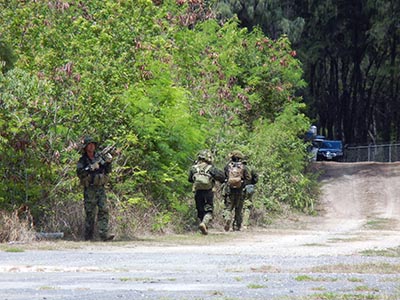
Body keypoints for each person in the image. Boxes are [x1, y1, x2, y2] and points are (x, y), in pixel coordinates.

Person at [76, 136, 114, 241]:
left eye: (93, 144)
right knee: (90, 213)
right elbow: (80, 173)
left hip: (100, 188)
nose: (92, 146)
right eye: (90, 144)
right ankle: (89, 236)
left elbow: (107, 170)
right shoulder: (83, 160)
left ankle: (104, 235)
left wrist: (108, 162)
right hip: (90, 189)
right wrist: (90, 168)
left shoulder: (99, 157)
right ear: (86, 146)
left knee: (104, 210)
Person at [188, 150, 225, 235]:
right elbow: (222, 177)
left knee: (200, 209)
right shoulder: (211, 168)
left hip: (198, 192)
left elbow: (190, 179)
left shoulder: (194, 168)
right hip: (208, 192)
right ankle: (204, 224)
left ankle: (202, 226)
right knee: (209, 210)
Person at [222, 150, 251, 232]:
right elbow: (248, 178)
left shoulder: (227, 166)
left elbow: (224, 176)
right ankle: (236, 226)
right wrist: (242, 183)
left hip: (229, 190)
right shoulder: (244, 167)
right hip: (240, 190)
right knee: (238, 209)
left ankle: (227, 219)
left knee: (228, 208)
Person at [242, 158, 259, 229]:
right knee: (247, 206)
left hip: (236, 188)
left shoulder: (234, 167)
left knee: (236, 206)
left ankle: (235, 224)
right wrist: (251, 183)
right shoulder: (251, 168)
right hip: (248, 188)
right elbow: (256, 178)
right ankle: (244, 224)